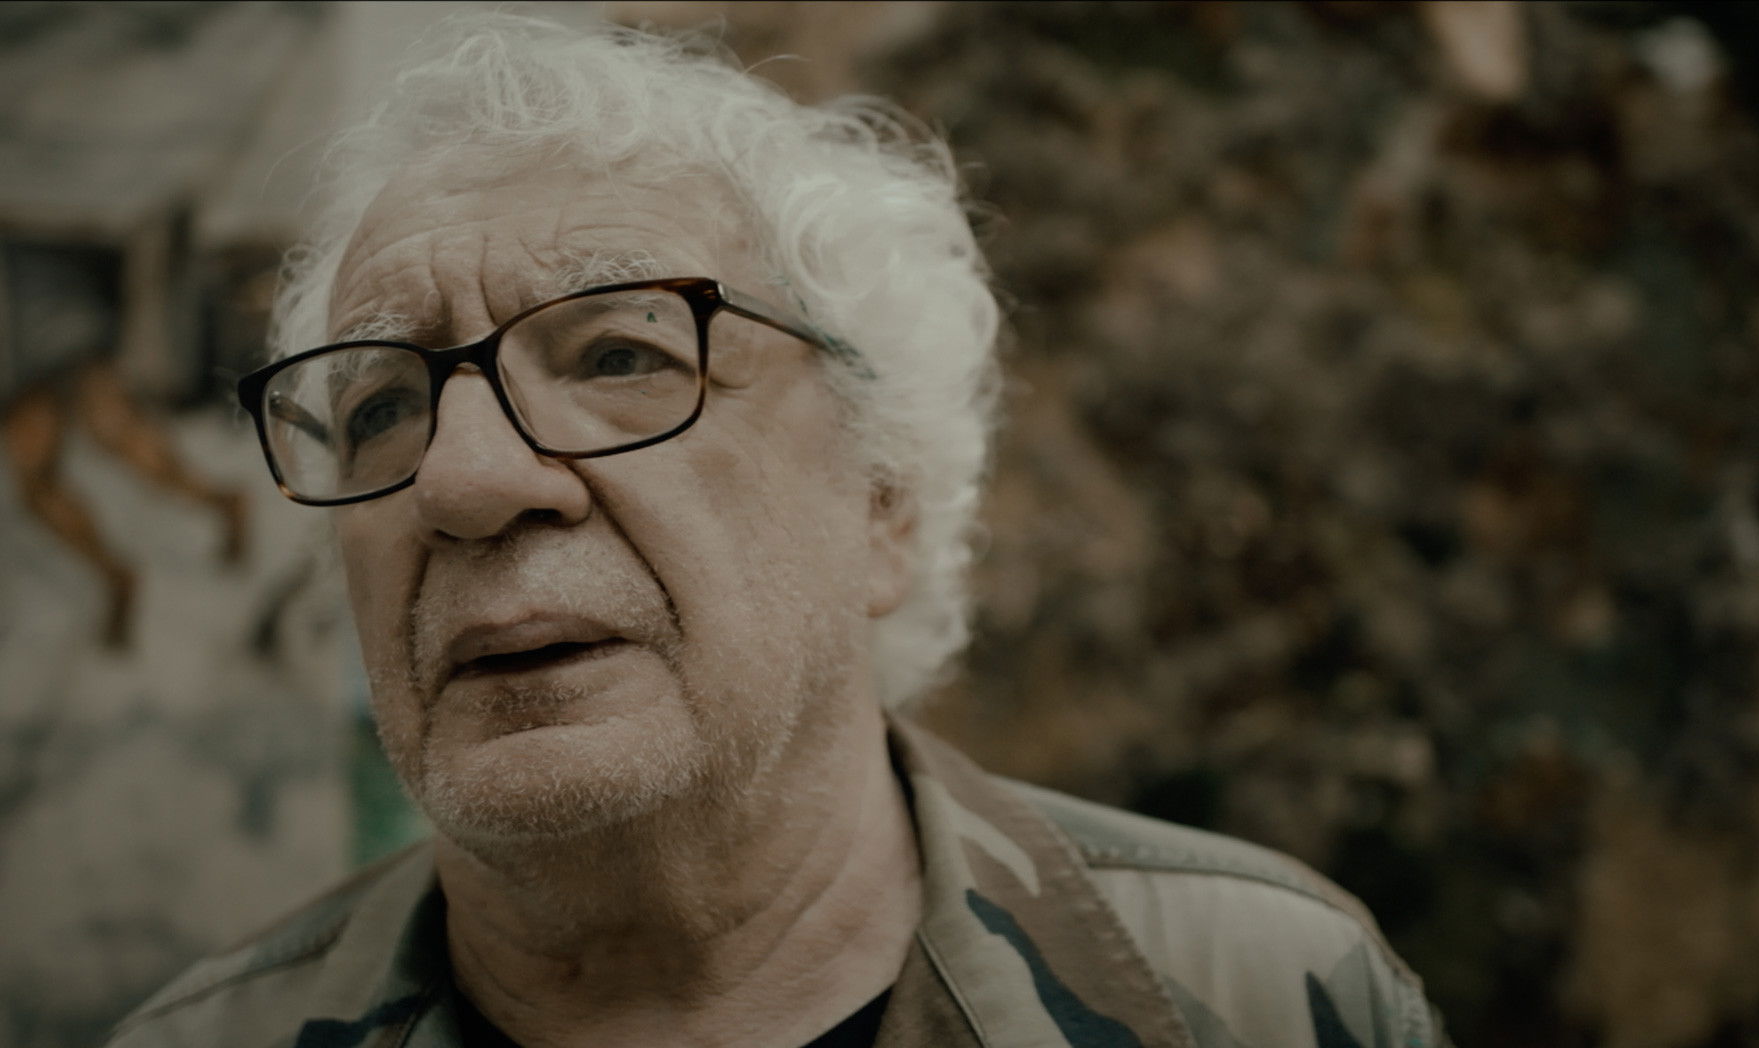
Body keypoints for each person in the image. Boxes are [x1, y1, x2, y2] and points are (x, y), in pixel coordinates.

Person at [108, 15, 1448, 1048]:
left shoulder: (1263, 996)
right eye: (383, 407)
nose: (461, 479)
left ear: (884, 498)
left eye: (620, 355)